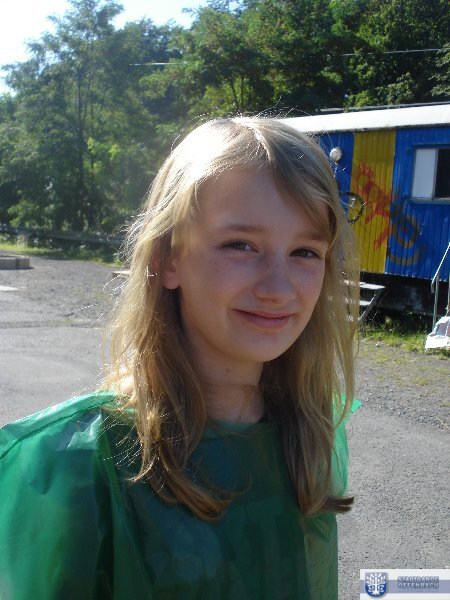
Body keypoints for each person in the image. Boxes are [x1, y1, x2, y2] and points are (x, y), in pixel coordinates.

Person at [0, 117, 360, 599]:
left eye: (305, 252)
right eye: (240, 245)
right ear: (167, 259)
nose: (278, 288)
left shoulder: (309, 436)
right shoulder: (75, 464)